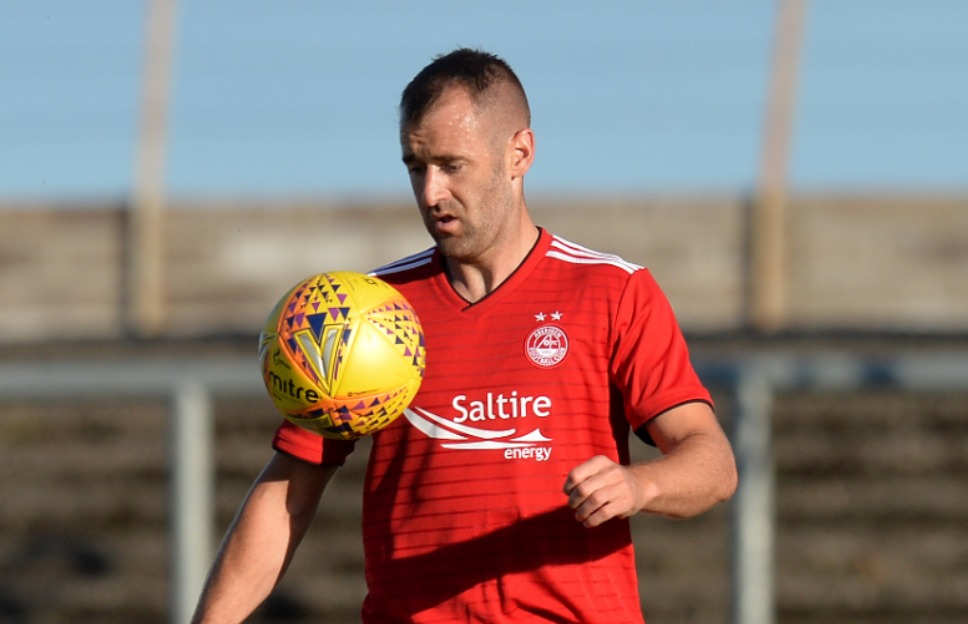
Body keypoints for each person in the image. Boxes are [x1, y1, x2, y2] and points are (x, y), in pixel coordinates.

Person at [192, 48, 738, 624]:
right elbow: (288, 497)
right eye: (415, 167)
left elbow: (713, 464)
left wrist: (639, 486)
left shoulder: (611, 291)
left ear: (519, 154)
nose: (431, 192)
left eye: (452, 165)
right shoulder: (368, 312)